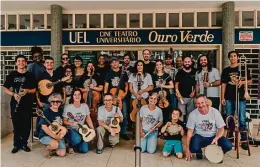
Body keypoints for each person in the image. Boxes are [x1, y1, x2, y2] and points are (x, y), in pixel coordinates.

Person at [3, 55, 36, 153]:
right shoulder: (12, 74)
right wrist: (13, 94)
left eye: (23, 61)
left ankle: (24, 144)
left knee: (26, 125)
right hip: (15, 103)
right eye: (19, 61)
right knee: (16, 125)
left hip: (27, 104)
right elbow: (5, 88)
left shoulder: (30, 75)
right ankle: (16, 145)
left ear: (26, 63)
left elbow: (34, 90)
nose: (21, 63)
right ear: (16, 63)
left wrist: (27, 91)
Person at [185, 95, 232, 162]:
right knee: (193, 147)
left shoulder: (215, 112)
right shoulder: (193, 114)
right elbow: (189, 132)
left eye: (202, 102)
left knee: (228, 145)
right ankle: (198, 151)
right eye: (198, 103)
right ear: (196, 104)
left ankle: (216, 153)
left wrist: (216, 138)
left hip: (214, 136)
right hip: (200, 136)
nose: (200, 105)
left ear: (206, 102)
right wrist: (187, 149)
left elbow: (221, 129)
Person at [221, 51, 252, 150]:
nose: (233, 58)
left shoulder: (243, 68)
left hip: (241, 97)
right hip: (229, 97)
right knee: (229, 118)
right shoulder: (226, 70)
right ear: (229, 58)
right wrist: (222, 97)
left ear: (238, 57)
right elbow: (223, 84)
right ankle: (230, 139)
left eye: (234, 56)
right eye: (231, 56)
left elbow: (250, 80)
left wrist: (242, 82)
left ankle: (243, 141)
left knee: (242, 119)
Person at [34, 56, 65, 139]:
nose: (49, 64)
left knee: (58, 117)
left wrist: (63, 99)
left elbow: (63, 88)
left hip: (58, 101)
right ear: (44, 64)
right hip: (45, 101)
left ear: (53, 64)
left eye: (51, 62)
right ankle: (38, 134)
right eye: (47, 63)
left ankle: (58, 133)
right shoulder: (41, 76)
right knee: (43, 117)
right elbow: (37, 90)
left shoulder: (58, 74)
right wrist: (38, 101)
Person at [104, 57, 129, 140]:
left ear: (119, 63)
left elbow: (126, 84)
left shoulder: (123, 73)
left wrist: (125, 93)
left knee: (124, 114)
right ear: (111, 64)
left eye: (116, 62)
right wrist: (106, 95)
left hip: (121, 97)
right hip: (112, 97)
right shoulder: (108, 73)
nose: (115, 63)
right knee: (112, 115)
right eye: (113, 62)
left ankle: (123, 132)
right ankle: (112, 130)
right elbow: (106, 86)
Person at [63, 89, 95, 154]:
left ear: (81, 96)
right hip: (71, 130)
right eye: (75, 94)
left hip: (82, 130)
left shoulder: (85, 106)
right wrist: (72, 123)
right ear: (72, 96)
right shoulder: (68, 107)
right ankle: (70, 144)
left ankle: (75, 145)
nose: (77, 96)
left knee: (84, 150)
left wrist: (92, 130)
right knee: (77, 139)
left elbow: (88, 119)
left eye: (79, 94)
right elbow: (64, 121)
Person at [39, 93, 67, 159]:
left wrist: (63, 130)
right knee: (55, 144)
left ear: (60, 102)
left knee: (62, 154)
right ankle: (48, 148)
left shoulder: (61, 111)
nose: (55, 103)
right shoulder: (46, 111)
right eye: (53, 101)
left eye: (57, 101)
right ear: (50, 102)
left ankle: (54, 147)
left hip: (57, 133)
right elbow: (44, 127)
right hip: (45, 135)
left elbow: (61, 124)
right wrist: (55, 137)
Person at [152, 59, 174, 124]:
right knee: (157, 114)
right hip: (157, 97)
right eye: (157, 65)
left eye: (160, 64)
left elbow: (172, 86)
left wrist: (163, 86)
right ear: (155, 66)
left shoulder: (166, 75)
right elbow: (152, 87)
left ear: (162, 65)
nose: (159, 66)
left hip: (165, 97)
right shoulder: (153, 76)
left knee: (166, 114)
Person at [175, 56, 196, 122]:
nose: (187, 63)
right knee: (180, 115)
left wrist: (194, 92)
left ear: (191, 62)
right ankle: (181, 130)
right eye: (186, 62)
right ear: (183, 62)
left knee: (190, 115)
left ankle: (189, 130)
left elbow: (196, 84)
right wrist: (178, 95)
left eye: (188, 62)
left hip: (191, 98)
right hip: (181, 98)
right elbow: (176, 85)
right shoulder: (179, 73)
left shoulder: (195, 72)